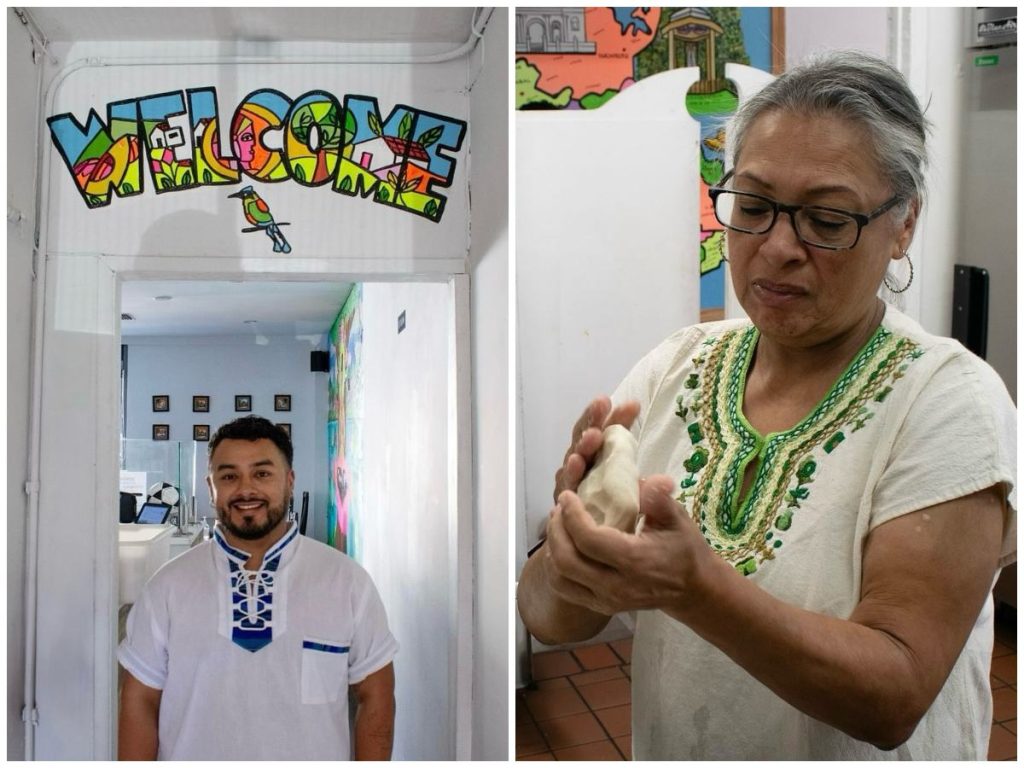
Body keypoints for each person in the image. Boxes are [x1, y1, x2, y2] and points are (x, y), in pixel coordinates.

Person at [517, 50, 1016, 760]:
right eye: (752, 207)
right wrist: (568, 547)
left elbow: (896, 692)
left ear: (902, 224)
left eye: (828, 220)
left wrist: (699, 591)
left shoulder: (946, 399)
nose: (778, 247)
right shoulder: (676, 367)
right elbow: (548, 618)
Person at [118, 415, 398, 760]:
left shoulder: (347, 582)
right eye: (229, 476)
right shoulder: (167, 587)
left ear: (290, 481)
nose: (246, 489)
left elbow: (376, 694)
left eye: (262, 473)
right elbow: (140, 701)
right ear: (211, 487)